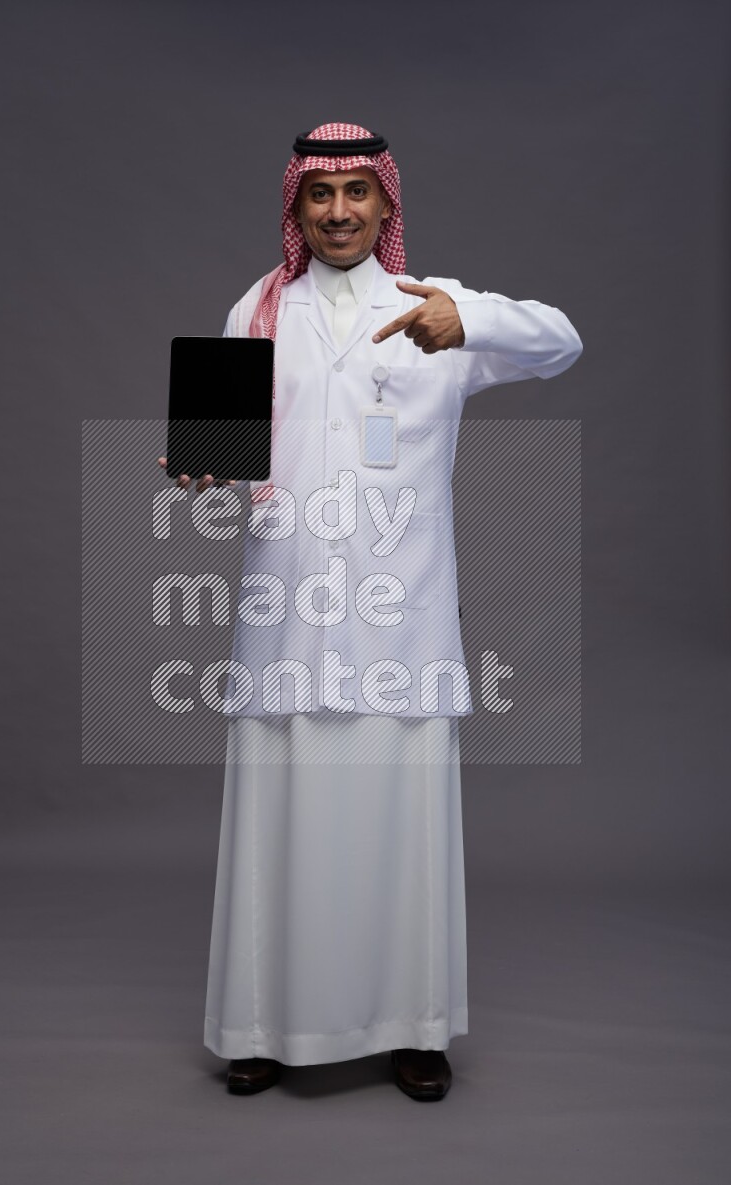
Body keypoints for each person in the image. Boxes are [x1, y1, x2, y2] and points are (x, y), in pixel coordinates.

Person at [159, 122, 582, 1100]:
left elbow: (562, 343)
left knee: (402, 822)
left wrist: (470, 326)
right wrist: (202, 471)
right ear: (296, 207)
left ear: (386, 205)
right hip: (287, 606)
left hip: (403, 620)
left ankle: (413, 1027)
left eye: (358, 192)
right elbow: (228, 458)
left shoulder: (432, 306)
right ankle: (259, 1025)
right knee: (280, 819)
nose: (339, 211)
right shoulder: (259, 311)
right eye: (321, 194)